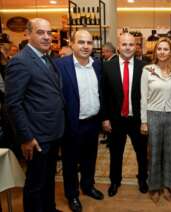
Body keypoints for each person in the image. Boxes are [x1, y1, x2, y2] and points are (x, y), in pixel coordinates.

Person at [5, 18, 65, 212]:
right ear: (28, 34)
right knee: (35, 184)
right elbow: (13, 104)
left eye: (49, 33)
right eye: (41, 32)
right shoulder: (20, 62)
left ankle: (49, 208)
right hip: (36, 136)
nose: (47, 37)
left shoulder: (47, 58)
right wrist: (26, 137)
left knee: (49, 178)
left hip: (53, 131)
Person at [55, 29, 104, 212]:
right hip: (71, 124)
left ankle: (88, 186)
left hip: (92, 123)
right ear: (72, 44)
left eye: (89, 43)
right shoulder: (60, 65)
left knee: (90, 159)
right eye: (81, 42)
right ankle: (72, 194)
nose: (85, 46)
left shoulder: (97, 65)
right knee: (70, 161)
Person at [102, 32, 148, 197]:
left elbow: (147, 95)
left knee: (142, 153)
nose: (128, 47)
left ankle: (143, 179)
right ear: (118, 46)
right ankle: (115, 181)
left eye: (131, 44)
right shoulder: (107, 66)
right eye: (124, 44)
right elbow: (104, 94)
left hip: (137, 120)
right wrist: (105, 118)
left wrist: (146, 119)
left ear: (135, 46)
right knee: (116, 153)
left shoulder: (145, 66)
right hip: (116, 120)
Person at [140, 37, 171, 203]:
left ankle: (168, 185)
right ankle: (154, 186)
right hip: (153, 115)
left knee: (170, 153)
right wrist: (144, 121)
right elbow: (143, 97)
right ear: (155, 52)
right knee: (154, 153)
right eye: (159, 49)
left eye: (166, 49)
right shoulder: (148, 70)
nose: (162, 52)